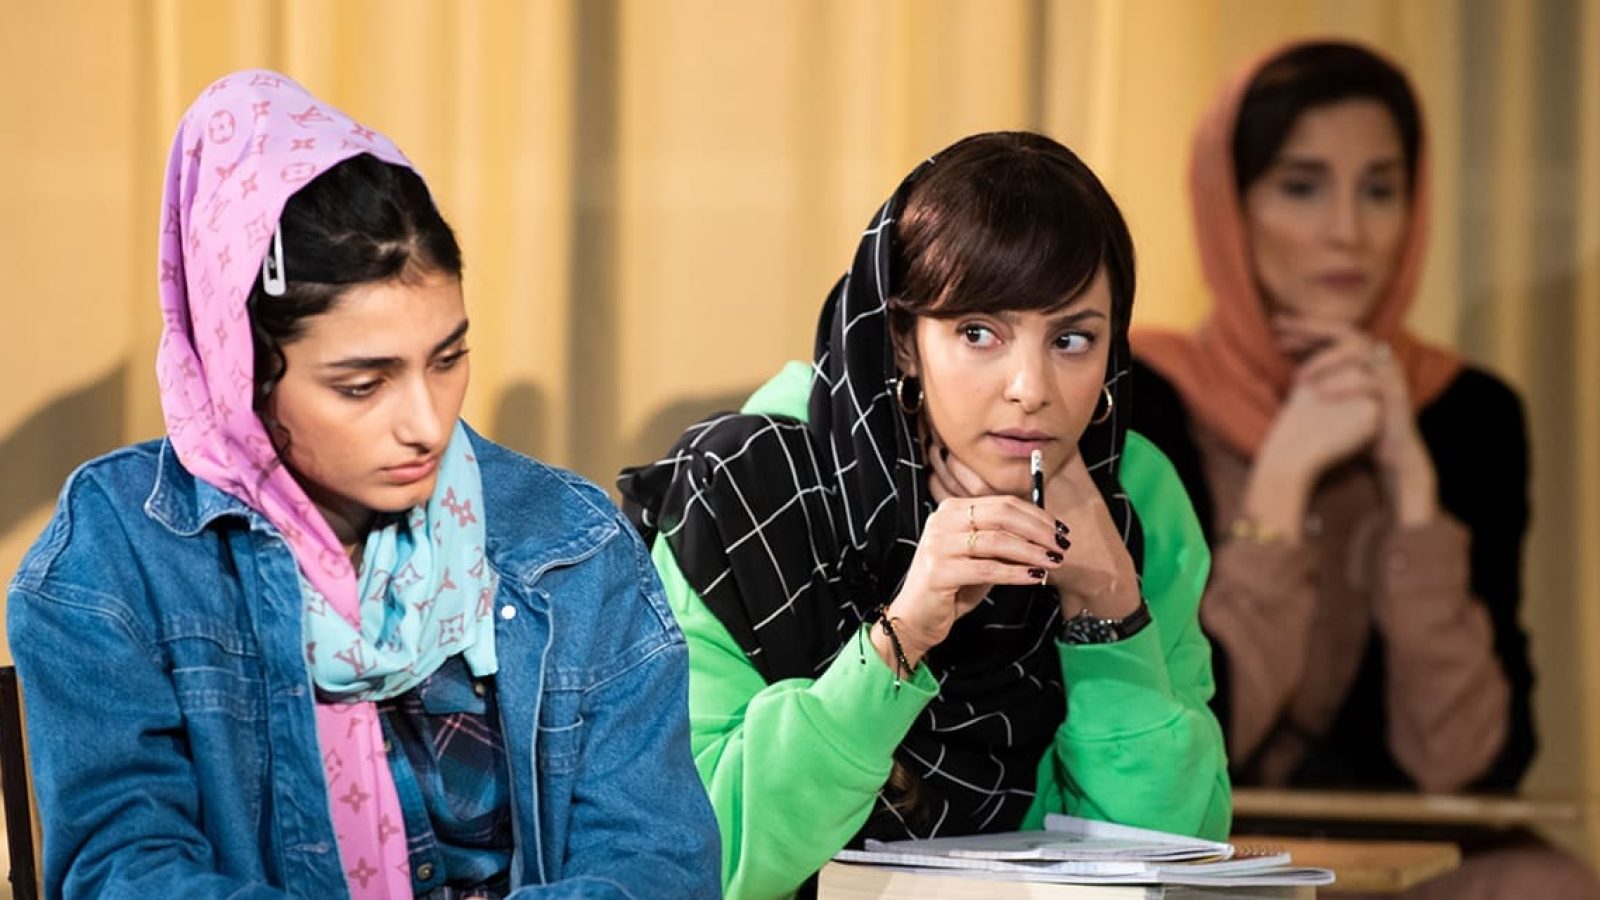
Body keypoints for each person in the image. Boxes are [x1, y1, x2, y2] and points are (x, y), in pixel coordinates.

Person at [7, 70, 718, 899]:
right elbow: (123, 873)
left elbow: (660, 865)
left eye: (447, 360)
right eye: (361, 384)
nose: (425, 421)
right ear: (244, 372)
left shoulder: (568, 540)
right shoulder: (116, 558)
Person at [620, 131, 1230, 899]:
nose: (1030, 388)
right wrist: (902, 635)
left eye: (1073, 339)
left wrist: (1108, 610)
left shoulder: (1136, 497)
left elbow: (1178, 864)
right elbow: (708, 856)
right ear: (903, 339)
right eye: (979, 333)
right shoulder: (749, 494)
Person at [1131, 40, 1599, 899]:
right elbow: (1179, 734)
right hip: (1191, 850)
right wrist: (1281, 480)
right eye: (1302, 186)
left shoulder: (1468, 413)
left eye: (1380, 189)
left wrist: (1415, 498)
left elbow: (1472, 763)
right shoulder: (1142, 396)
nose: (1349, 229)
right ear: (1229, 205)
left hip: (1406, 868)